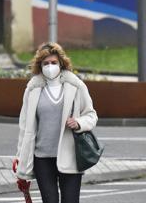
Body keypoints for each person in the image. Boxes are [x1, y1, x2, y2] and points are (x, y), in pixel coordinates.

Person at [12, 42, 98, 203]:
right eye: (46, 63)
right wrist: (20, 157)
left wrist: (79, 123)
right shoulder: (33, 89)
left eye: (53, 63)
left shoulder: (76, 86)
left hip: (70, 155)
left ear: (61, 64)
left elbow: (91, 115)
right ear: (40, 65)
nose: (50, 67)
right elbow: (25, 127)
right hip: (42, 158)